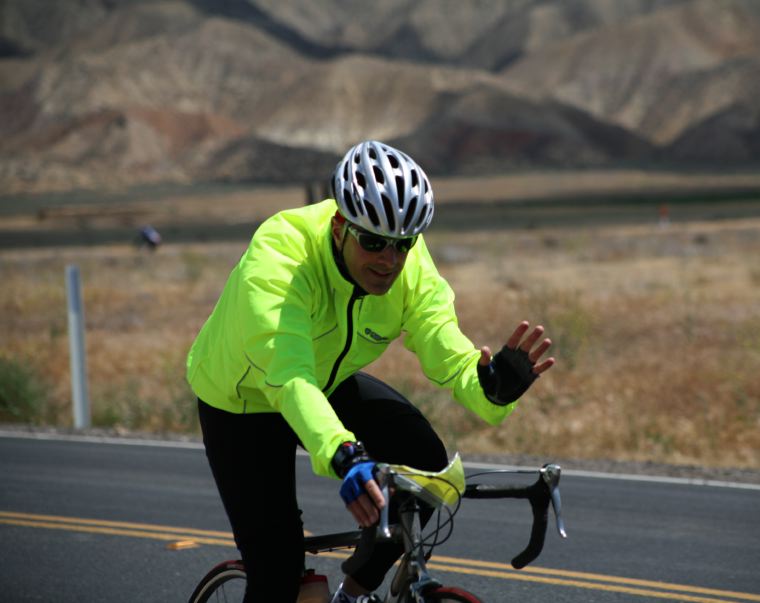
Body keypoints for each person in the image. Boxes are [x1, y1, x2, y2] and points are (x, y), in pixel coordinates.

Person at [186, 140, 555, 603]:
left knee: (424, 467)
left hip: (326, 382)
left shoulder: (408, 265)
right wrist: (345, 455)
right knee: (277, 571)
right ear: (340, 225)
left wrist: (490, 387)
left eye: (402, 245)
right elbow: (289, 379)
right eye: (374, 242)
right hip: (244, 401)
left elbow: (444, 343)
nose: (389, 260)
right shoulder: (281, 254)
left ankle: (353, 592)